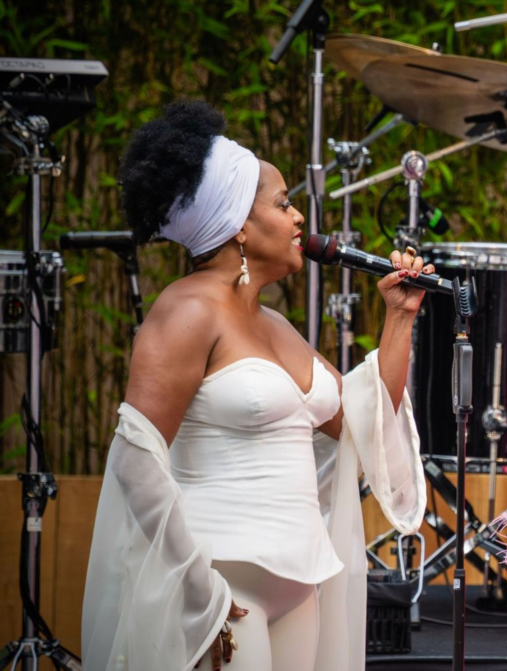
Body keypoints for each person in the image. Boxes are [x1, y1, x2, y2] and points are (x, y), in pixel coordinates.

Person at [81, 100, 428, 671]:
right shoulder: (186, 310)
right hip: (224, 588)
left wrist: (399, 318)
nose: (299, 219)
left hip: (300, 584)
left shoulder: (277, 326)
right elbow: (135, 458)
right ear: (239, 222)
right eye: (284, 203)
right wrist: (200, 591)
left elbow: (363, 423)